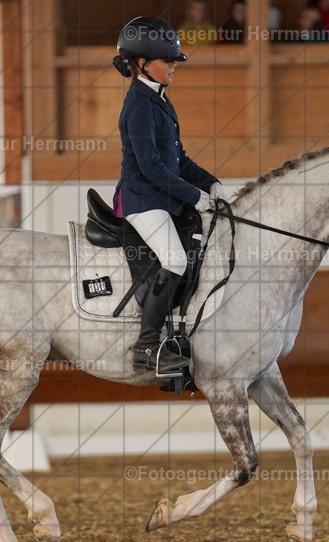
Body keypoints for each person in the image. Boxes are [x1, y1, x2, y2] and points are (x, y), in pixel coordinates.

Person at [111, 16, 223, 373]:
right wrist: (195, 197)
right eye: (167, 60)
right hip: (142, 200)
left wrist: (212, 183)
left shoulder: (159, 99)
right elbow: (152, 168)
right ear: (143, 63)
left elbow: (179, 160)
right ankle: (147, 348)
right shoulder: (139, 105)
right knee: (174, 260)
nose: (174, 65)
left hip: (160, 195)